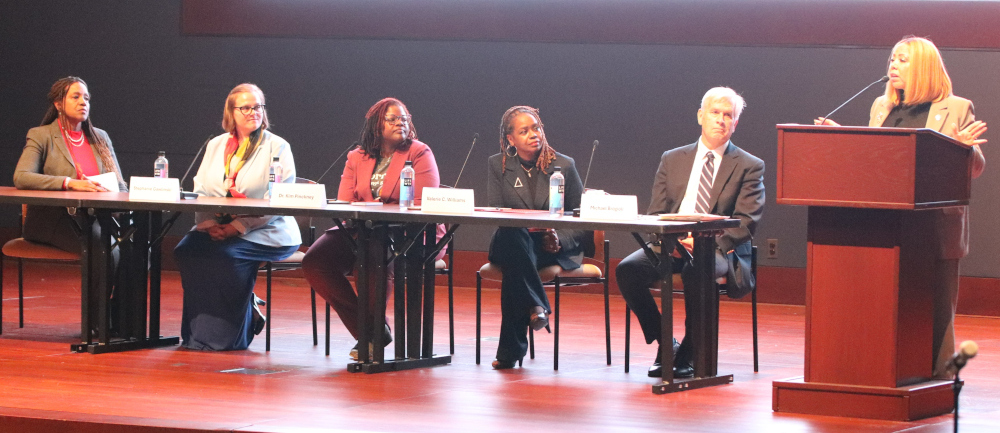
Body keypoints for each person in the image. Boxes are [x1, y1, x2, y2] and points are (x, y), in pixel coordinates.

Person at [816, 36, 987, 378]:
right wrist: (846, 139)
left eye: (902, 59)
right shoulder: (882, 107)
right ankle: (881, 368)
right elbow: (877, 160)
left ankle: (939, 378)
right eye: (892, 58)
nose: (892, 65)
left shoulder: (956, 107)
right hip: (885, 222)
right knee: (881, 303)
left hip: (935, 225)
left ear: (923, 66)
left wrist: (963, 149)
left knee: (935, 308)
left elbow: (976, 168)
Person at [617, 87, 765, 378]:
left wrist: (704, 242)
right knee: (627, 270)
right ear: (700, 115)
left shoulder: (750, 165)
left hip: (719, 249)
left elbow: (746, 222)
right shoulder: (672, 159)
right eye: (715, 112)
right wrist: (669, 239)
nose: (720, 120)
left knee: (697, 269)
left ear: (735, 123)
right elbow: (655, 212)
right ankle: (666, 342)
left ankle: (691, 351)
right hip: (671, 242)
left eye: (728, 115)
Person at [301, 97, 445, 360]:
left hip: (408, 234)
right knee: (315, 261)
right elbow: (345, 199)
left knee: (372, 256)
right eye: (392, 119)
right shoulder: (357, 156)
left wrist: (376, 207)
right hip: (362, 229)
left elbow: (423, 201)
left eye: (404, 118)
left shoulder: (419, 152)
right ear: (376, 125)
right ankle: (371, 330)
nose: (400, 123)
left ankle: (372, 336)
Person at [173, 83, 300, 351]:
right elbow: (201, 189)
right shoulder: (216, 144)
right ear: (231, 112)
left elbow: (277, 201)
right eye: (246, 107)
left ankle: (232, 334)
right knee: (188, 250)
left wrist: (237, 227)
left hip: (267, 229)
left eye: (258, 107)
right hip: (216, 226)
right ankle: (196, 335)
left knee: (225, 256)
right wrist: (207, 225)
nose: (253, 112)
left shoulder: (278, 146)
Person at [13, 76, 129, 330]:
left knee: (136, 247)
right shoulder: (42, 135)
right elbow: (22, 176)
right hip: (53, 221)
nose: (83, 103)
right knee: (105, 248)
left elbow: (120, 185)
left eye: (86, 98)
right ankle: (97, 324)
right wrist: (69, 182)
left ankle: (122, 322)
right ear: (58, 102)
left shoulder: (99, 137)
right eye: (75, 97)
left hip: (96, 217)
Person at [485, 106, 588, 369]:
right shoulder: (498, 165)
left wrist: (560, 239)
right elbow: (497, 212)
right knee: (513, 233)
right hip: (509, 239)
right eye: (524, 131)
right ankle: (537, 305)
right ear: (510, 139)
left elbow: (582, 218)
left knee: (515, 267)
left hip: (546, 247)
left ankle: (511, 351)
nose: (534, 134)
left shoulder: (564, 165)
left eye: (536, 127)